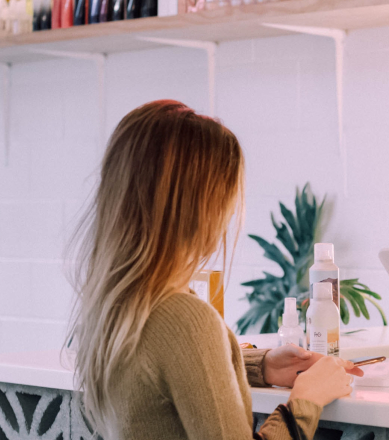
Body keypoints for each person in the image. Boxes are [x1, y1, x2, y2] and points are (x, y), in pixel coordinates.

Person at [69, 100, 362, 440]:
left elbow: (168, 371)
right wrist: (306, 400)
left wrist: (259, 366)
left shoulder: (116, 305)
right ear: (201, 206)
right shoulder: (185, 318)